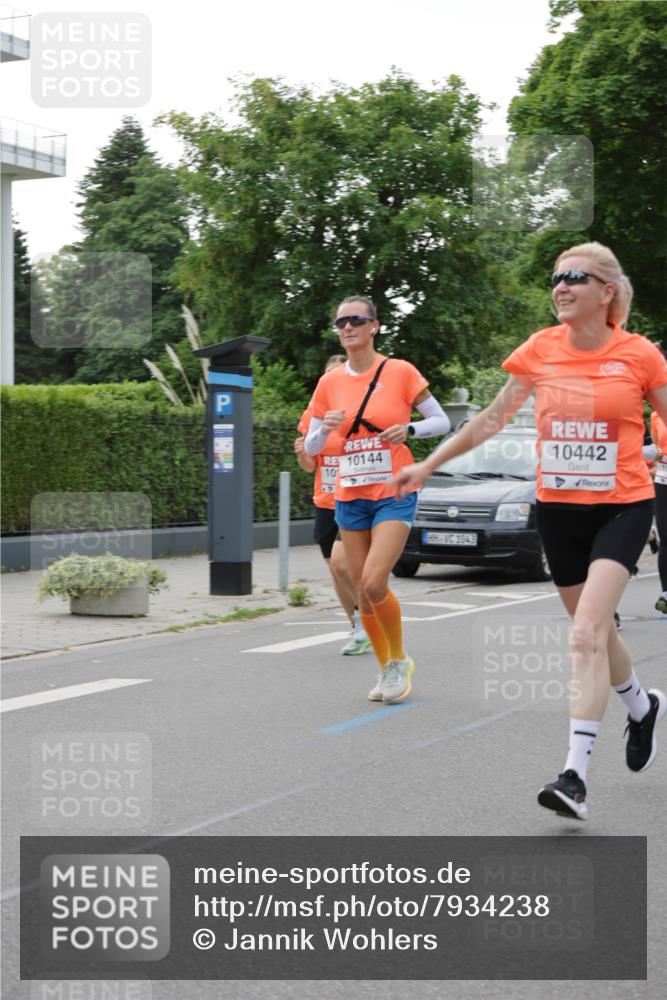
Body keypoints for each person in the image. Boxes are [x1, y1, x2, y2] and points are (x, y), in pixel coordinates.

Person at [396, 242, 667, 820]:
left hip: (622, 506)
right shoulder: (539, 350)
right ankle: (642, 708)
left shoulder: (639, 355)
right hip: (557, 510)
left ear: (607, 292)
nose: (560, 287)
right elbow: (490, 420)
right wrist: (426, 465)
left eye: (574, 277)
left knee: (585, 632)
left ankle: (574, 775)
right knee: (594, 633)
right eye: (555, 278)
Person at [304, 295, 450, 703]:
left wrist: (412, 431)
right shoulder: (329, 383)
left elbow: (442, 420)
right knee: (361, 589)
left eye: (356, 320)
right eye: (340, 322)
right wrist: (324, 429)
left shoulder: (400, 371)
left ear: (374, 326)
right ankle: (386, 668)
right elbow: (312, 444)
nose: (347, 327)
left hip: (394, 491)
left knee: (373, 580)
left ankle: (399, 661)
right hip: (349, 493)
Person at [295, 355, 372, 655]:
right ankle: (357, 627)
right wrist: (302, 452)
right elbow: (308, 465)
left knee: (346, 564)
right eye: (328, 376)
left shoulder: (358, 413)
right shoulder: (314, 414)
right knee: (336, 570)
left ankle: (369, 618)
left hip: (354, 498)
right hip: (326, 500)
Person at [650, 407, 667, 613]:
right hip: (663, 481)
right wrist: (657, 454)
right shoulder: (656, 416)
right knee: (666, 536)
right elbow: (655, 447)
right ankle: (666, 593)